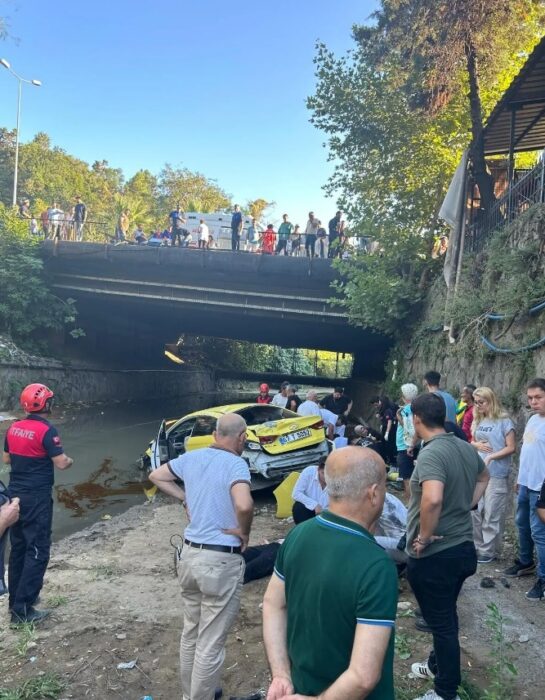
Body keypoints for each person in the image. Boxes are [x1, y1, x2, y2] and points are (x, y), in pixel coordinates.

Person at [263, 446, 397, 700]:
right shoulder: (377, 566)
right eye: (384, 485)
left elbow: (272, 603)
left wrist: (281, 674)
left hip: (300, 687)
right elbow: (363, 676)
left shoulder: (298, 535)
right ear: (374, 494)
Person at [149, 413, 254, 700]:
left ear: (215, 434)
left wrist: (184, 497)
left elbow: (156, 476)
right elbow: (244, 505)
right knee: (210, 642)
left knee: (191, 633)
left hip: (190, 556)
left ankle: (189, 695)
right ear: (242, 437)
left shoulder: (192, 458)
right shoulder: (236, 464)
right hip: (220, 561)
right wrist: (244, 532)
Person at [406, 393, 489, 700]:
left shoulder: (431, 453)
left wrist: (425, 537)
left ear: (417, 419)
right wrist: (468, 504)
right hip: (462, 549)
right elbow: (484, 476)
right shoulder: (464, 447)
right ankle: (435, 665)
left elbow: (433, 499)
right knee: (445, 617)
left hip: (437, 554)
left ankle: (445, 692)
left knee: (442, 625)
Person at [4, 384, 73, 624]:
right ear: (46, 404)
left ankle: (16, 602)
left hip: (14, 497)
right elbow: (61, 463)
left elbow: (6, 459)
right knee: (37, 550)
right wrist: (69, 460)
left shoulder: (13, 428)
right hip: (37, 498)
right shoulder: (47, 430)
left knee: (19, 549)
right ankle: (23, 611)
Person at [503, 378, 545, 600]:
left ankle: (543, 579)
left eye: (538, 397)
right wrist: (520, 478)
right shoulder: (532, 420)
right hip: (526, 483)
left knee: (539, 533)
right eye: (530, 398)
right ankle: (526, 561)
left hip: (541, 488)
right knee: (522, 524)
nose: (533, 402)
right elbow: (527, 452)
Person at [470, 387, 515, 564]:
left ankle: (488, 550)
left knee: (492, 512)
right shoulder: (479, 419)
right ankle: (476, 545)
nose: (478, 405)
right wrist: (476, 445)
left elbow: (511, 447)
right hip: (478, 471)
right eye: (476, 402)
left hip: (496, 473)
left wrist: (491, 457)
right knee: (474, 510)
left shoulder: (504, 421)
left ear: (491, 401)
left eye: (481, 402)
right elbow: (472, 440)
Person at [395, 383, 419, 498]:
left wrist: (398, 417)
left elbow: (410, 429)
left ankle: (410, 503)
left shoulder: (406, 410)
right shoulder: (417, 408)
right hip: (413, 445)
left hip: (406, 446)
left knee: (407, 477)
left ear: (404, 396)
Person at [291, 457, 328, 524]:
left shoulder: (338, 479)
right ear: (318, 469)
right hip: (309, 511)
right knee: (298, 507)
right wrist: (315, 505)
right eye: (323, 473)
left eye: (329, 474)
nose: (326, 477)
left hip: (327, 514)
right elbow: (296, 494)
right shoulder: (309, 472)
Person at [372, 395, 398, 466]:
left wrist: (387, 432)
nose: (379, 402)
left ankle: (393, 461)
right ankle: (389, 460)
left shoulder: (388, 410)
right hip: (385, 427)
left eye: (380, 401)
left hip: (389, 429)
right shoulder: (382, 409)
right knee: (385, 445)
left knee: (390, 445)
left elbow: (389, 421)